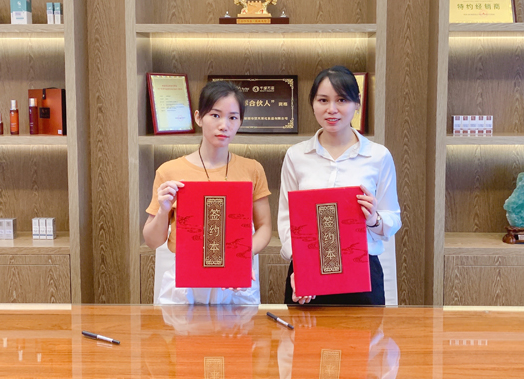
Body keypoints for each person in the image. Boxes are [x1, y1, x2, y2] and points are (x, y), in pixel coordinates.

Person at [278, 66, 401, 305]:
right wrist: (301, 267)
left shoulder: (378, 156)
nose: (332, 109)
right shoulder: (296, 156)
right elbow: (286, 220)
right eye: (323, 100)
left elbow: (393, 218)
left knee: (364, 330)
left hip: (363, 274)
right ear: (313, 103)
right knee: (303, 331)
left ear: (357, 103)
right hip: (307, 271)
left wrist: (373, 219)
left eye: (342, 100)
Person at [143, 81, 272, 304]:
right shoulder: (169, 171)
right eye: (215, 115)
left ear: (240, 122)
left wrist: (242, 255)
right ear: (198, 117)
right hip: (185, 282)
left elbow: (265, 227)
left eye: (233, 117)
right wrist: (163, 211)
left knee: (239, 328)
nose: (224, 125)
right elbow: (152, 241)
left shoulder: (252, 169)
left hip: (236, 280)